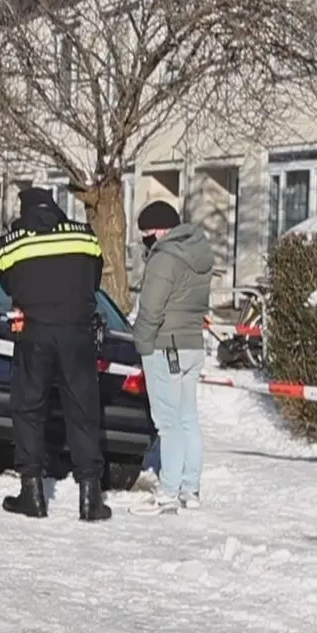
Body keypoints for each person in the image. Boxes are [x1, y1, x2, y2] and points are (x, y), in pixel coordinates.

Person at [0, 187, 110, 521]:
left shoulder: (12, 243)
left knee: (28, 409)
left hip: (35, 332)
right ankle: (91, 498)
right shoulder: (84, 235)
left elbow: (7, 284)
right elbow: (94, 279)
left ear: (24, 210)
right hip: (77, 331)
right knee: (83, 411)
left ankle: (32, 495)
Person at [129, 201, 213, 516]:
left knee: (168, 423)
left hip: (165, 346)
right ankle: (190, 489)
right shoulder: (199, 252)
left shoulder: (164, 258)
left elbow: (150, 309)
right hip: (192, 344)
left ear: (161, 230)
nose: (146, 240)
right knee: (188, 418)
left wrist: (141, 344)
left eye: (147, 233)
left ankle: (168, 492)